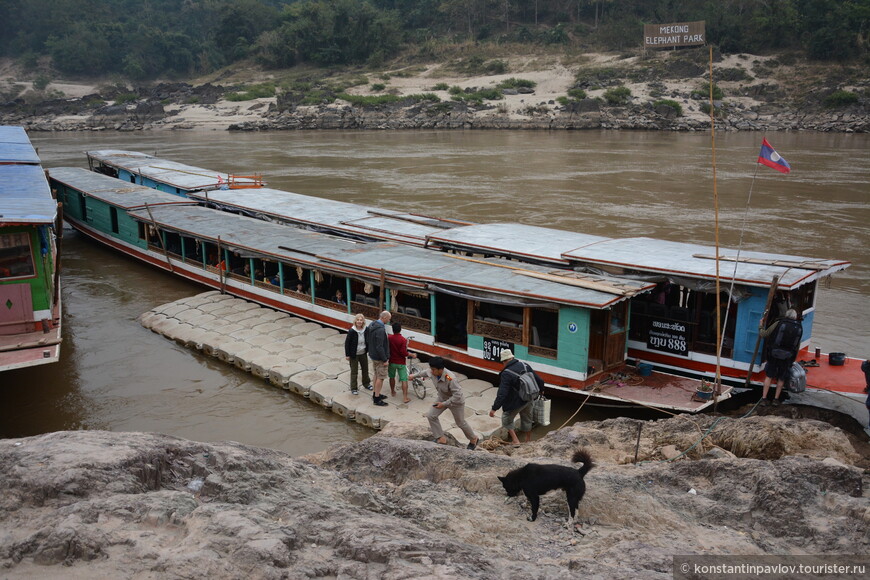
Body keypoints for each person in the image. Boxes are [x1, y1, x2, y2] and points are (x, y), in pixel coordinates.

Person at [409, 356, 479, 450]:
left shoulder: (450, 378)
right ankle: (441, 438)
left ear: (441, 369)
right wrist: (413, 376)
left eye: (433, 369)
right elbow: (424, 372)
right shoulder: (431, 371)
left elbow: (457, 395)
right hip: (442, 398)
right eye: (431, 368)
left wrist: (444, 404)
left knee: (460, 423)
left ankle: (473, 439)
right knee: (431, 415)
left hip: (455, 402)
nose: (431, 371)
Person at [489, 349, 542, 446]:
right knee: (527, 419)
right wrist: (540, 392)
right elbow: (539, 380)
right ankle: (528, 440)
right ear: (512, 357)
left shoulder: (506, 373)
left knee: (506, 419)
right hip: (529, 398)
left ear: (504, 361)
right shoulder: (524, 365)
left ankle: (515, 440)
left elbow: (502, 393)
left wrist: (494, 408)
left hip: (515, 402)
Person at [758, 308, 803, 406]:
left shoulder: (779, 323)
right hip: (787, 357)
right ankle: (776, 400)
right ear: (795, 317)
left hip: (774, 354)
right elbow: (796, 346)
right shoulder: (799, 327)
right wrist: (792, 359)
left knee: (769, 376)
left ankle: (764, 399)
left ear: (786, 315)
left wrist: (760, 325)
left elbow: (764, 334)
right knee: (781, 379)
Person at [365, 310, 391, 406]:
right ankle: (376, 398)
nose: (389, 320)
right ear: (384, 318)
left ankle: (376, 393)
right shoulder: (380, 330)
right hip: (379, 357)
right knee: (381, 377)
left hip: (373, 355)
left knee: (376, 374)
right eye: (388, 319)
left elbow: (367, 339)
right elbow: (380, 346)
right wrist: (385, 359)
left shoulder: (372, 324)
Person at [344, 314, 372, 395]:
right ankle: (353, 388)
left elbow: (368, 340)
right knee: (354, 371)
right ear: (355, 321)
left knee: (365, 369)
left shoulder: (366, 329)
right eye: (358, 320)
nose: (359, 321)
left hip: (363, 352)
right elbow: (347, 343)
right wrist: (347, 355)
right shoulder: (352, 331)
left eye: (361, 320)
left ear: (363, 321)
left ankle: (366, 383)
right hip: (354, 354)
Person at [388, 322, 412, 403]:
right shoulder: (403, 340)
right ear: (400, 329)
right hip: (401, 362)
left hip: (391, 361)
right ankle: (405, 397)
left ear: (393, 329)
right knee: (404, 379)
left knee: (392, 377)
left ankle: (392, 391)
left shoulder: (389, 338)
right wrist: (410, 354)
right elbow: (403, 352)